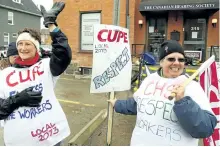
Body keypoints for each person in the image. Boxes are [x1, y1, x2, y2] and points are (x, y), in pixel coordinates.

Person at [108, 40, 217, 146]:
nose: (176, 63)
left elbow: (206, 129)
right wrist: (117, 104)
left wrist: (183, 102)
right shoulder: (149, 80)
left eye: (181, 59)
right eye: (171, 59)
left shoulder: (192, 87)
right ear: (161, 62)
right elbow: (138, 104)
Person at [0, 1, 72, 146]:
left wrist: (51, 25)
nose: (23, 48)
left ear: (36, 48)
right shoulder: (5, 74)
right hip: (19, 142)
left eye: (28, 44)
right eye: (20, 44)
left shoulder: (46, 66)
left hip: (49, 139)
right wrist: (16, 100)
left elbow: (63, 54)